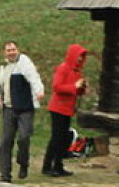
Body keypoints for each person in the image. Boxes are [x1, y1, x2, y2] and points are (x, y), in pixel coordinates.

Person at [0, 40, 45, 183]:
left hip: (24, 109)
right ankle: (5, 175)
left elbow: (34, 78)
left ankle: (23, 163)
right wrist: (1, 97)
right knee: (5, 142)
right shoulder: (4, 67)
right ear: (4, 53)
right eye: (8, 50)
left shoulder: (24, 63)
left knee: (24, 137)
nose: (11, 52)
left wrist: (39, 91)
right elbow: (5, 86)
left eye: (13, 49)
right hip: (8, 109)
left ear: (17, 50)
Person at [42, 44, 89, 177]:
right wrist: (74, 86)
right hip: (58, 108)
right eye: (79, 56)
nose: (80, 59)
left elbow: (75, 91)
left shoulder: (77, 71)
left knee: (62, 138)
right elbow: (57, 87)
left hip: (67, 109)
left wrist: (81, 88)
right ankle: (49, 166)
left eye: (82, 56)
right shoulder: (63, 69)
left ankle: (57, 165)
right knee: (57, 138)